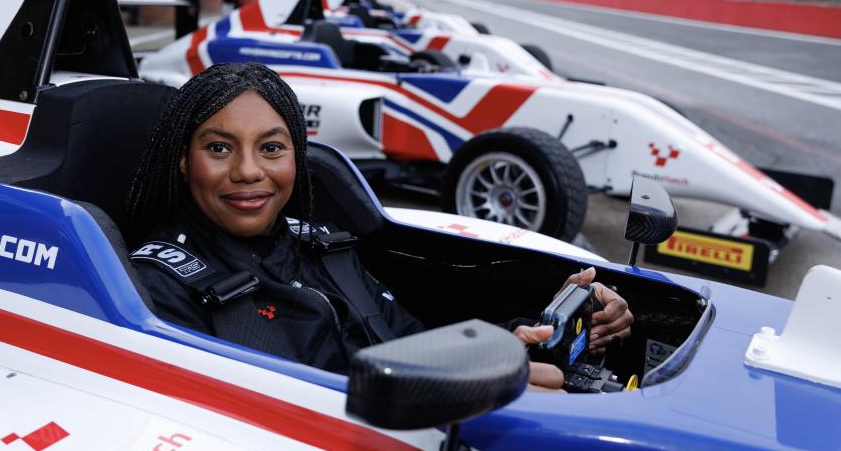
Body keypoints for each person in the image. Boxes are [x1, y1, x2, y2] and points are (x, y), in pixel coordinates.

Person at [125, 62, 633, 389]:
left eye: (272, 147)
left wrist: (527, 337)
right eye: (219, 148)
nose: (248, 170)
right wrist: (461, 387)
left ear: (297, 158)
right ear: (183, 161)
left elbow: (409, 342)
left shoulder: (322, 245)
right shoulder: (158, 288)